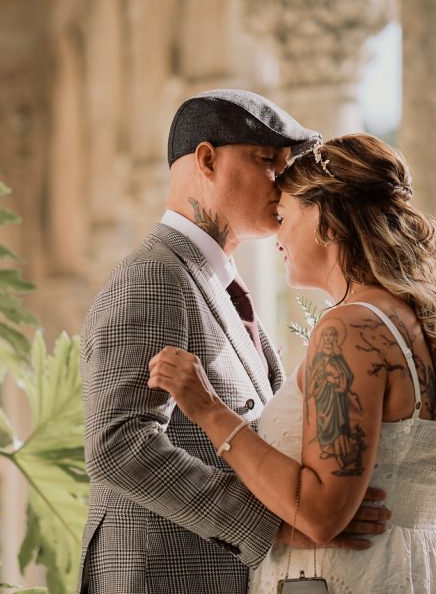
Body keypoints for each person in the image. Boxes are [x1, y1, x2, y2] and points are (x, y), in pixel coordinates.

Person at [149, 132, 436, 593]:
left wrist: (209, 410)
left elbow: (318, 515)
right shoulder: (429, 328)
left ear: (328, 222)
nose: (277, 237)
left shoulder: (349, 329)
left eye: (284, 216)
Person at [80, 93, 390, 594]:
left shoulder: (216, 281)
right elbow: (119, 445)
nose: (284, 182)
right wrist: (272, 526)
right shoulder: (152, 279)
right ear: (207, 160)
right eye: (268, 161)